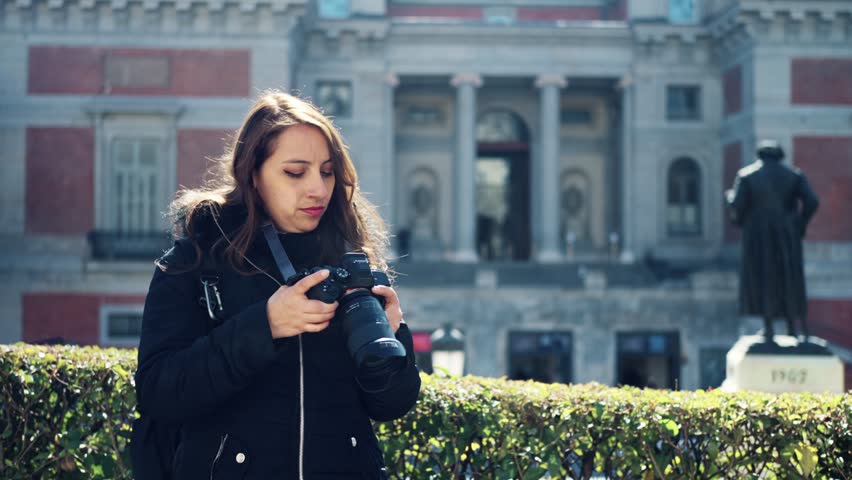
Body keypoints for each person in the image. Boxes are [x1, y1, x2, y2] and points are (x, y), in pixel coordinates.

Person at [133, 90, 421, 479]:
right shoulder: (197, 260)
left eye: (327, 171)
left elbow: (390, 404)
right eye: (295, 172)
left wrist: (393, 337)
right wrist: (266, 325)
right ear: (253, 173)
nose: (317, 189)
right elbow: (158, 391)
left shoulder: (351, 260)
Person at [726, 140, 820, 341]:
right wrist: (799, 223)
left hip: (758, 237)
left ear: (760, 155)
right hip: (787, 235)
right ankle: (792, 329)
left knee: (763, 278)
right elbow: (812, 201)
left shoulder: (747, 176)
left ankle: (768, 328)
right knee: (789, 278)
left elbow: (737, 206)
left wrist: (729, 198)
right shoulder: (794, 176)